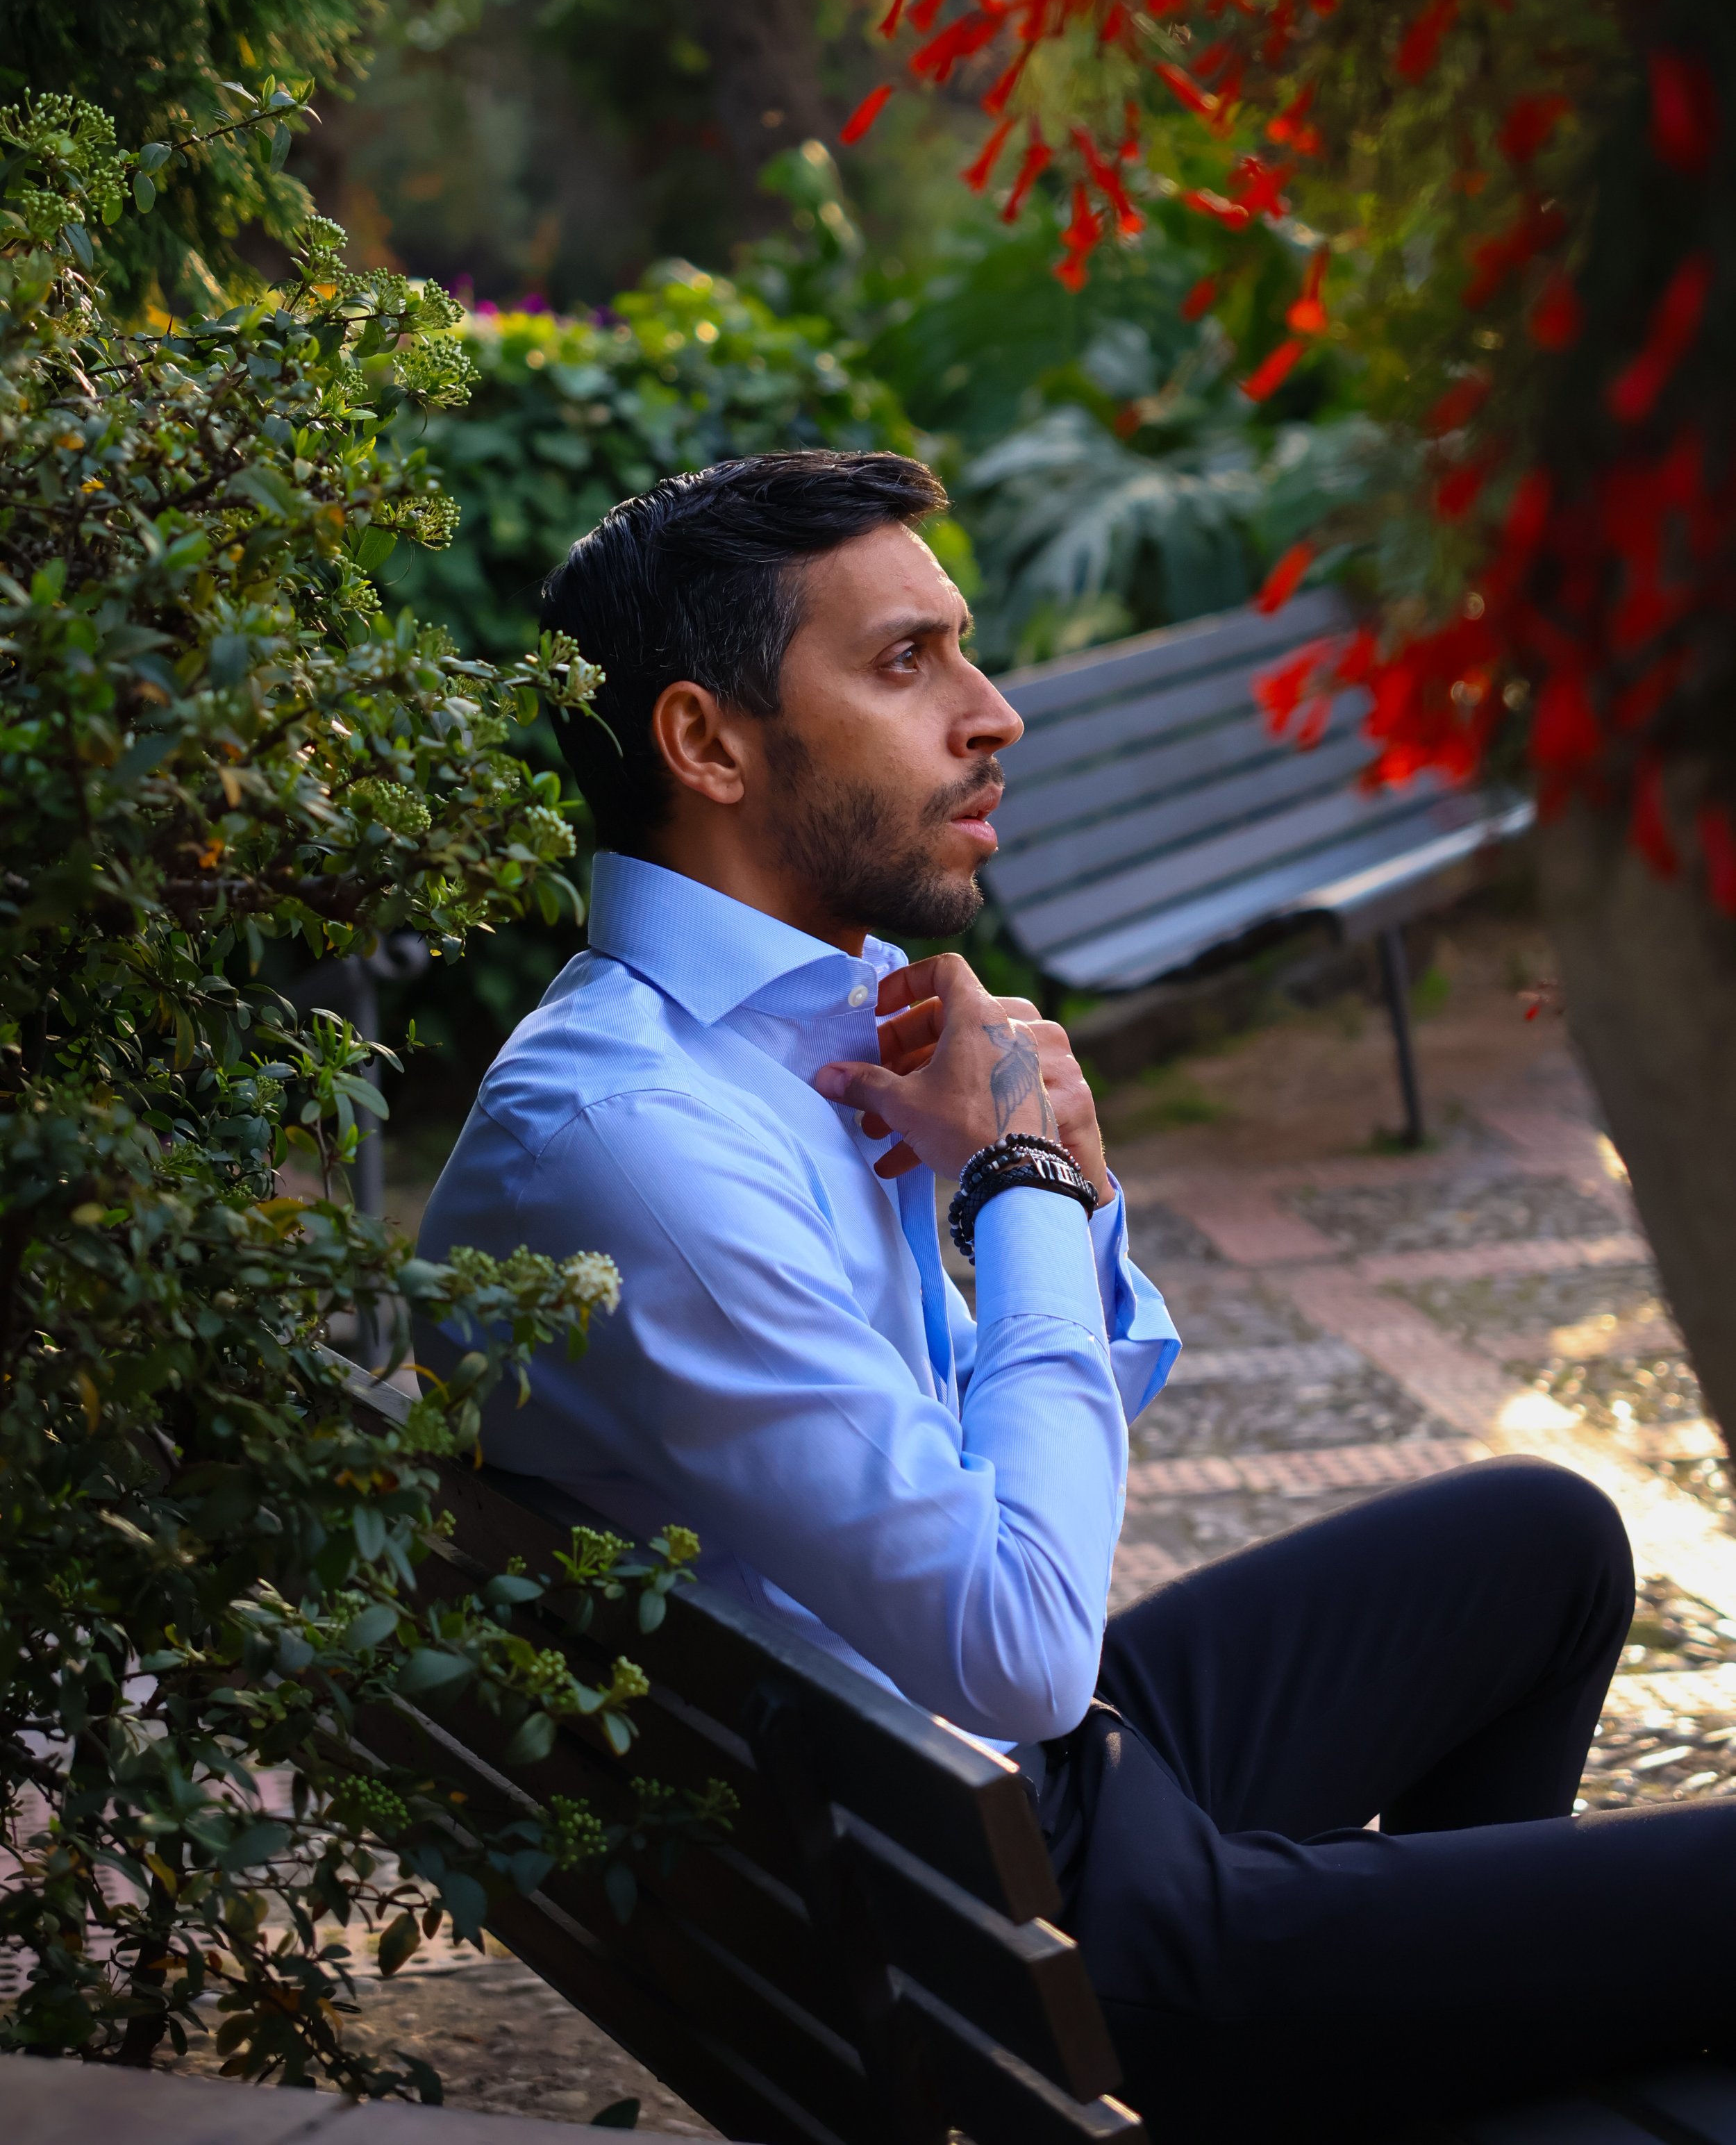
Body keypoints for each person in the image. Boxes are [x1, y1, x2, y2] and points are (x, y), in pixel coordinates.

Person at [418, 449, 1736, 2139]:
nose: (991, 714)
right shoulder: (639, 1149)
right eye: (906, 662)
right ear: (706, 742)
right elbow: (1017, 1645)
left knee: (1543, 1545)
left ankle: (1432, 2032)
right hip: (1021, 1936)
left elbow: (1011, 1456)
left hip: (969, 1807)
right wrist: (1019, 1191)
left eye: (960, 649)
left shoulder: (777, 1039)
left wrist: (1072, 1190)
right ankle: (1421, 2041)